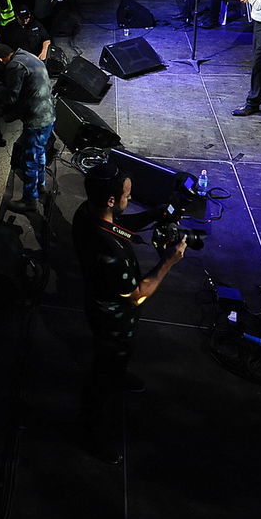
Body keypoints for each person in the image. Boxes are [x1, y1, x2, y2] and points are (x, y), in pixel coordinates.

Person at [71, 160, 186, 463]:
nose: (129, 199)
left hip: (103, 309)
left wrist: (153, 215)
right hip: (112, 321)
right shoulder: (110, 252)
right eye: (126, 195)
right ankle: (92, 434)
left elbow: (119, 224)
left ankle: (119, 374)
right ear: (111, 200)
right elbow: (136, 296)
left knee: (118, 359)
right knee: (102, 378)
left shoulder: (87, 213)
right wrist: (168, 263)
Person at [0, 43, 55, 215]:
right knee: (40, 153)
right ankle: (40, 186)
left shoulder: (14, 66)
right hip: (49, 114)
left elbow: (11, 97)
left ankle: (29, 200)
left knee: (30, 160)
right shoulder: (27, 55)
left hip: (37, 120)